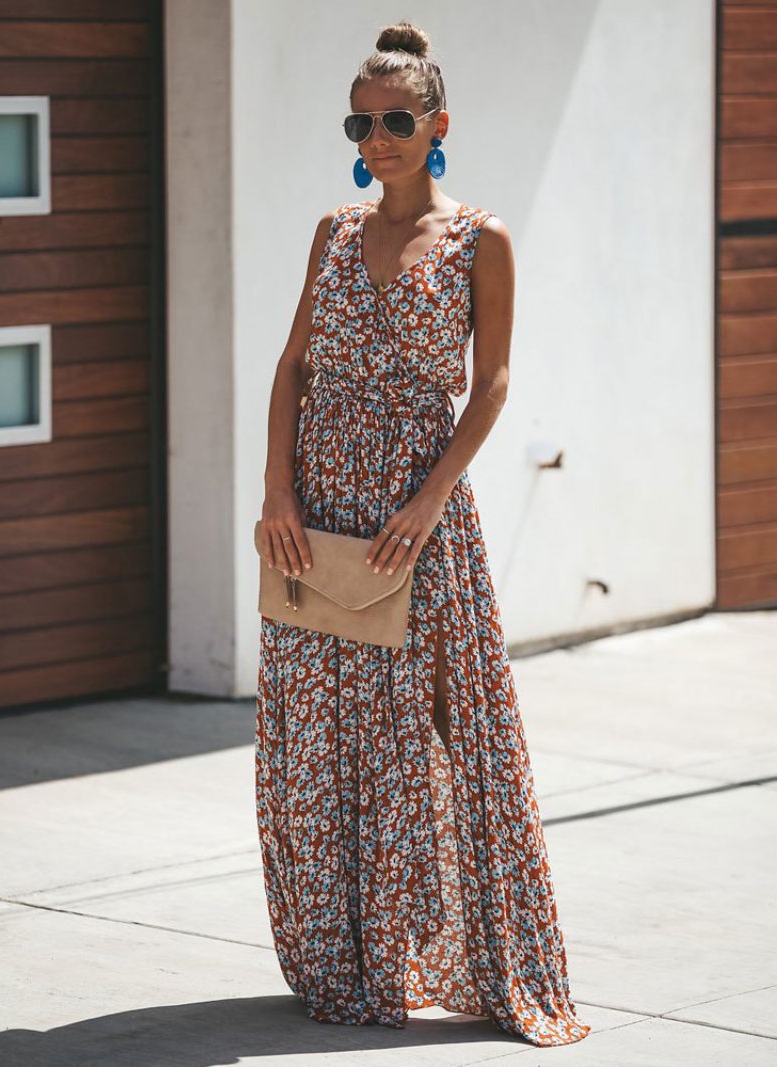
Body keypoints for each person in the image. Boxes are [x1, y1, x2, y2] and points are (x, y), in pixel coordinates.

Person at [255, 19, 591, 1049]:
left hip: (416, 515)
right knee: (320, 732)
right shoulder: (331, 229)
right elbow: (292, 369)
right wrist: (277, 494)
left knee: (449, 727)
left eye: (395, 118)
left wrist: (427, 498)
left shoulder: (479, 239)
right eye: (360, 121)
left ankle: (480, 957)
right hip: (316, 514)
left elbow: (488, 384)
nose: (376, 137)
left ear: (438, 121)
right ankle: (341, 959)